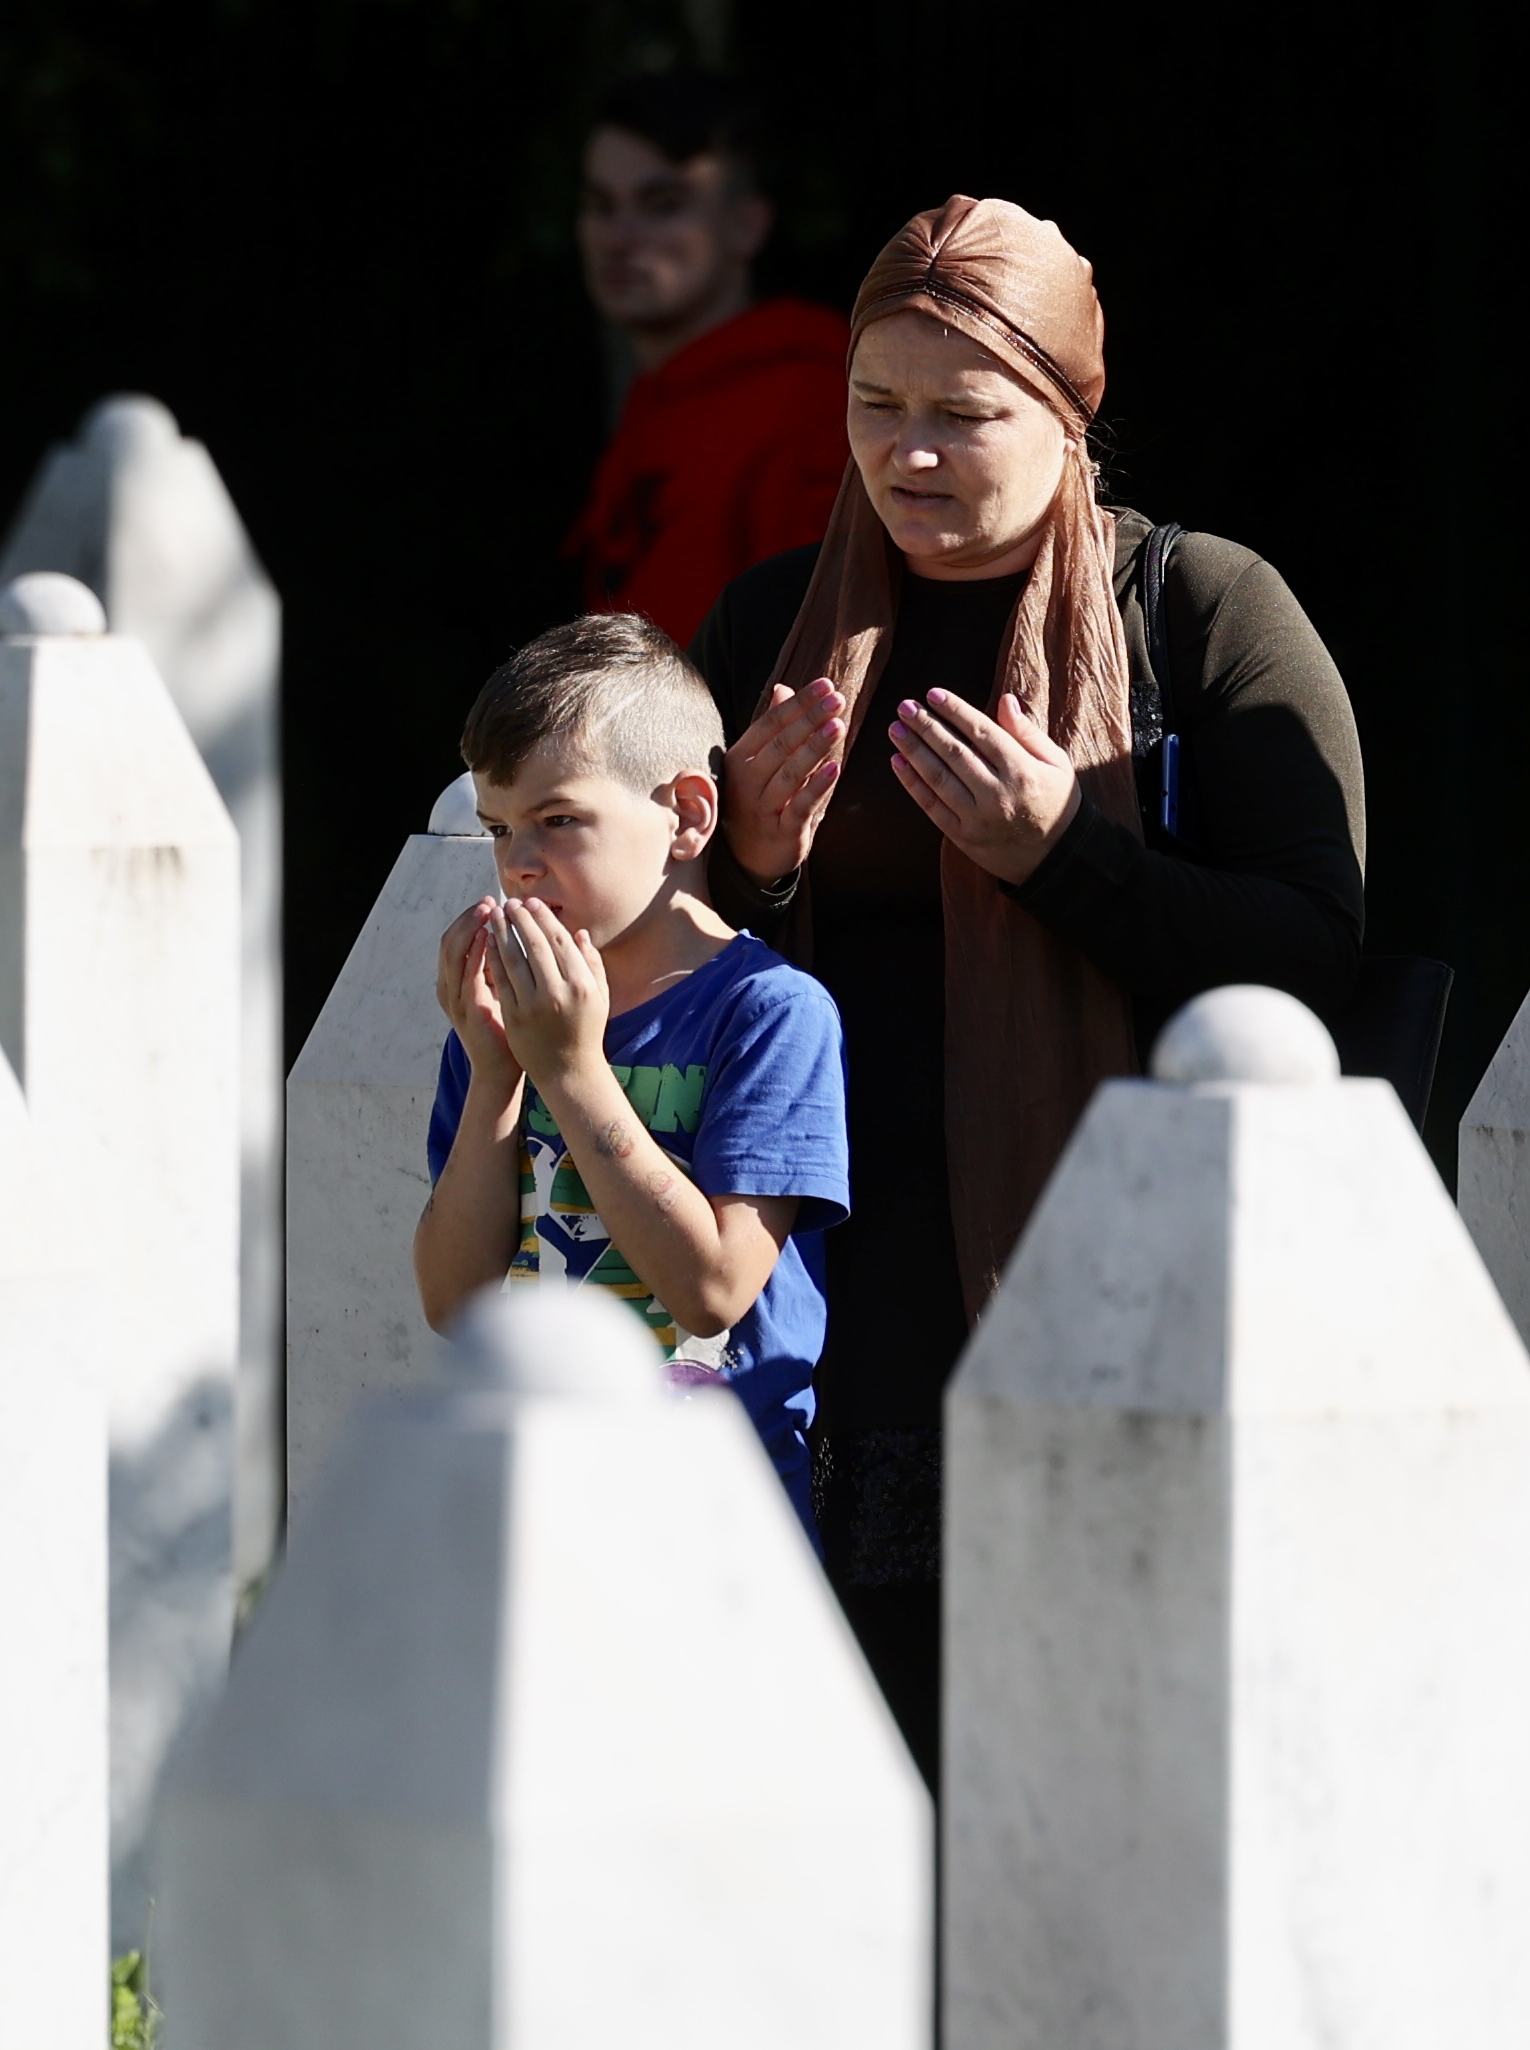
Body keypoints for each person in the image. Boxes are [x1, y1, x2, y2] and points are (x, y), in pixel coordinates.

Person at [696, 196, 1366, 1774]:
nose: (907, 452)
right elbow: (672, 957)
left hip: (1108, 1271)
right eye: (874, 406)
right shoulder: (763, 627)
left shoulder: (1197, 615)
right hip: (824, 1282)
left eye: (961, 414)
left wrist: (1063, 850)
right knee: (832, 1749)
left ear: (1065, 416)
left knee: (1081, 1754)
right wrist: (757, 868)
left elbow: (1309, 954)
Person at [411, 613, 850, 1528]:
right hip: (534, 1504)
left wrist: (570, 1071)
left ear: (687, 813)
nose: (517, 866)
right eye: (499, 828)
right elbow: (456, 1305)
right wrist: (496, 1075)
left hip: (708, 1522)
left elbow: (715, 1289)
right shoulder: (515, 1021)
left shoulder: (768, 1013)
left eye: (558, 819)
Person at [570, 70, 847, 646]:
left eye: (662, 204)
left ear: (747, 223)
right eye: (600, 205)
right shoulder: (659, 401)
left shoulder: (806, 402)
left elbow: (824, 654)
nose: (619, 236)